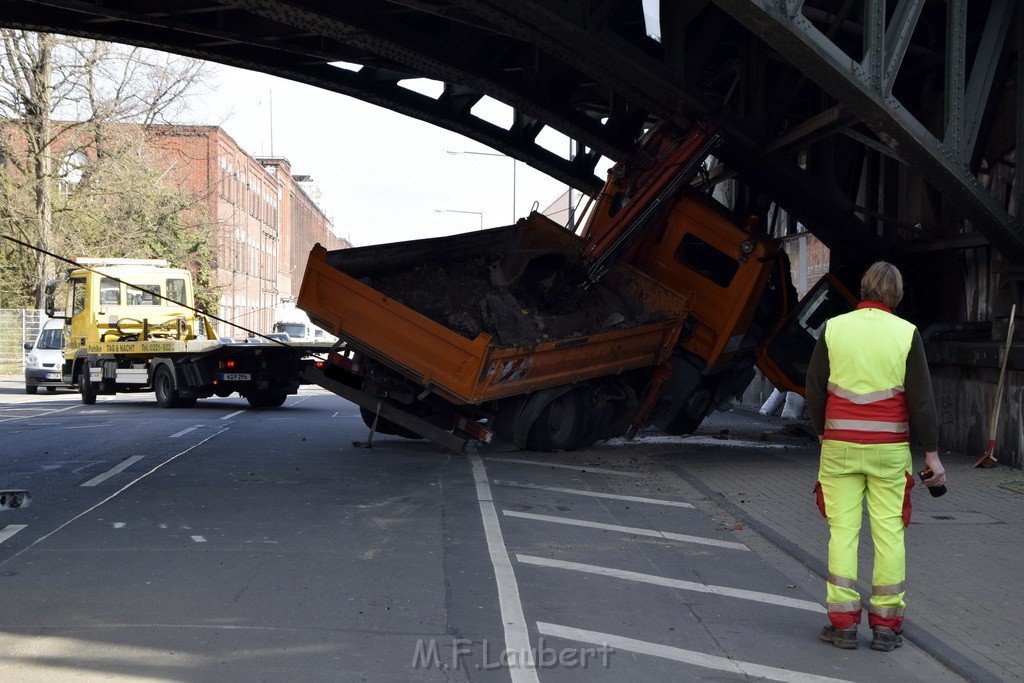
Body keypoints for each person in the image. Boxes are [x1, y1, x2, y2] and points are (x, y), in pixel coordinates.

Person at [805, 261, 947, 652]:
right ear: (896, 295)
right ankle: (886, 626)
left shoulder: (834, 328)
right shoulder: (906, 334)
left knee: (843, 532)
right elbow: (921, 400)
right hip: (888, 453)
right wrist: (931, 454)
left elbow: (815, 386)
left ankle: (843, 624)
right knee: (888, 535)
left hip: (840, 449)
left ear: (863, 289)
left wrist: (822, 430)